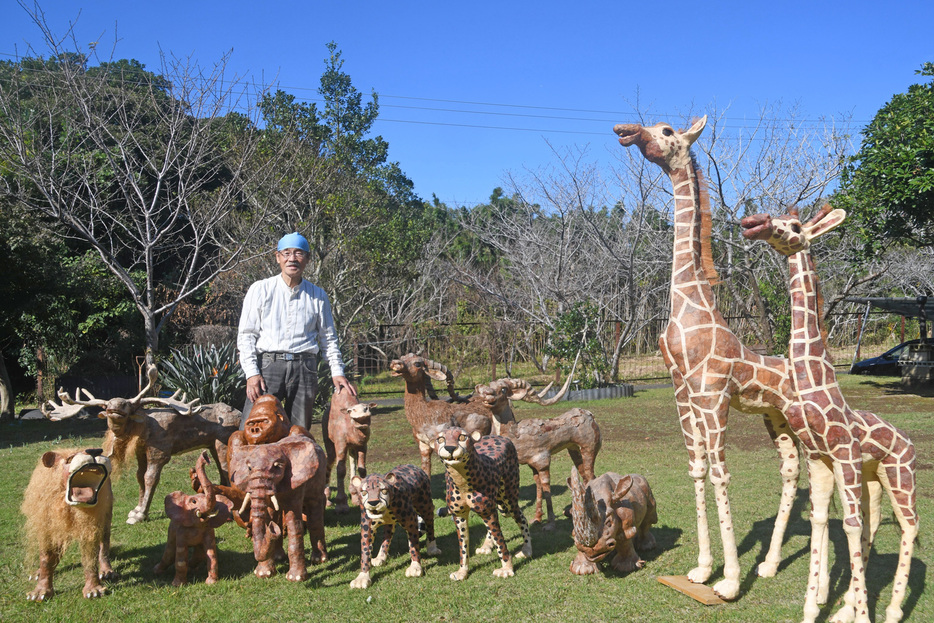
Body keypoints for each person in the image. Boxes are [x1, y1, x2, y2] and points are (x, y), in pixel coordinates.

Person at [237, 232, 356, 430]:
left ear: (308, 259)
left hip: (305, 369)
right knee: (253, 430)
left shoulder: (318, 295)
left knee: (298, 435)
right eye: (287, 253)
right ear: (278, 257)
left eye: (299, 253)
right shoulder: (260, 290)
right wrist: (251, 374)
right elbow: (246, 335)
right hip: (268, 369)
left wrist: (337, 372)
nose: (292, 258)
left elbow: (328, 338)